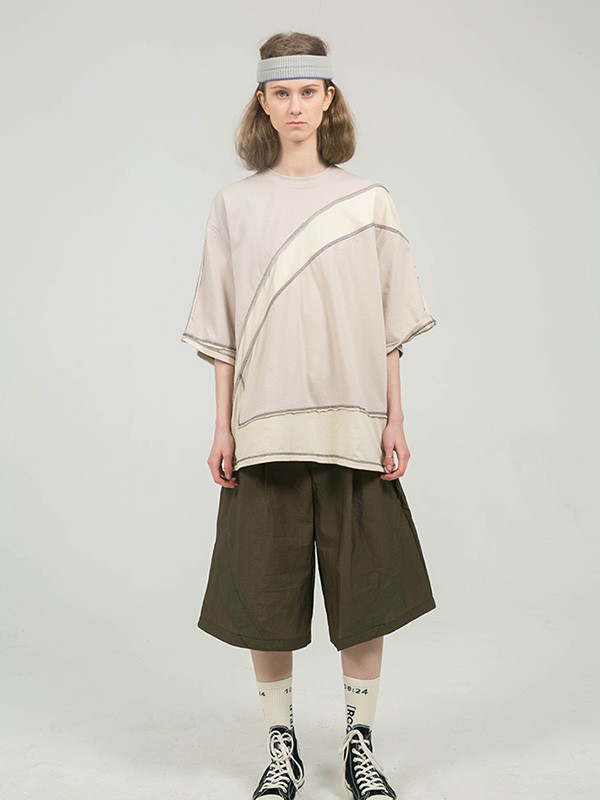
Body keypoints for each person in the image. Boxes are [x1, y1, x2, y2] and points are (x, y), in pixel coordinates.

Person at [180, 30, 438, 800]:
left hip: (354, 424)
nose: (295, 105)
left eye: (307, 90)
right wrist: (222, 426)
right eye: (281, 92)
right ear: (263, 101)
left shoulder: (369, 200)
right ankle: (281, 749)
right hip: (264, 428)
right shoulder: (234, 205)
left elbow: (391, 321)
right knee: (264, 596)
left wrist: (395, 418)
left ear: (329, 99)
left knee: (368, 594)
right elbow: (221, 326)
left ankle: (360, 743)